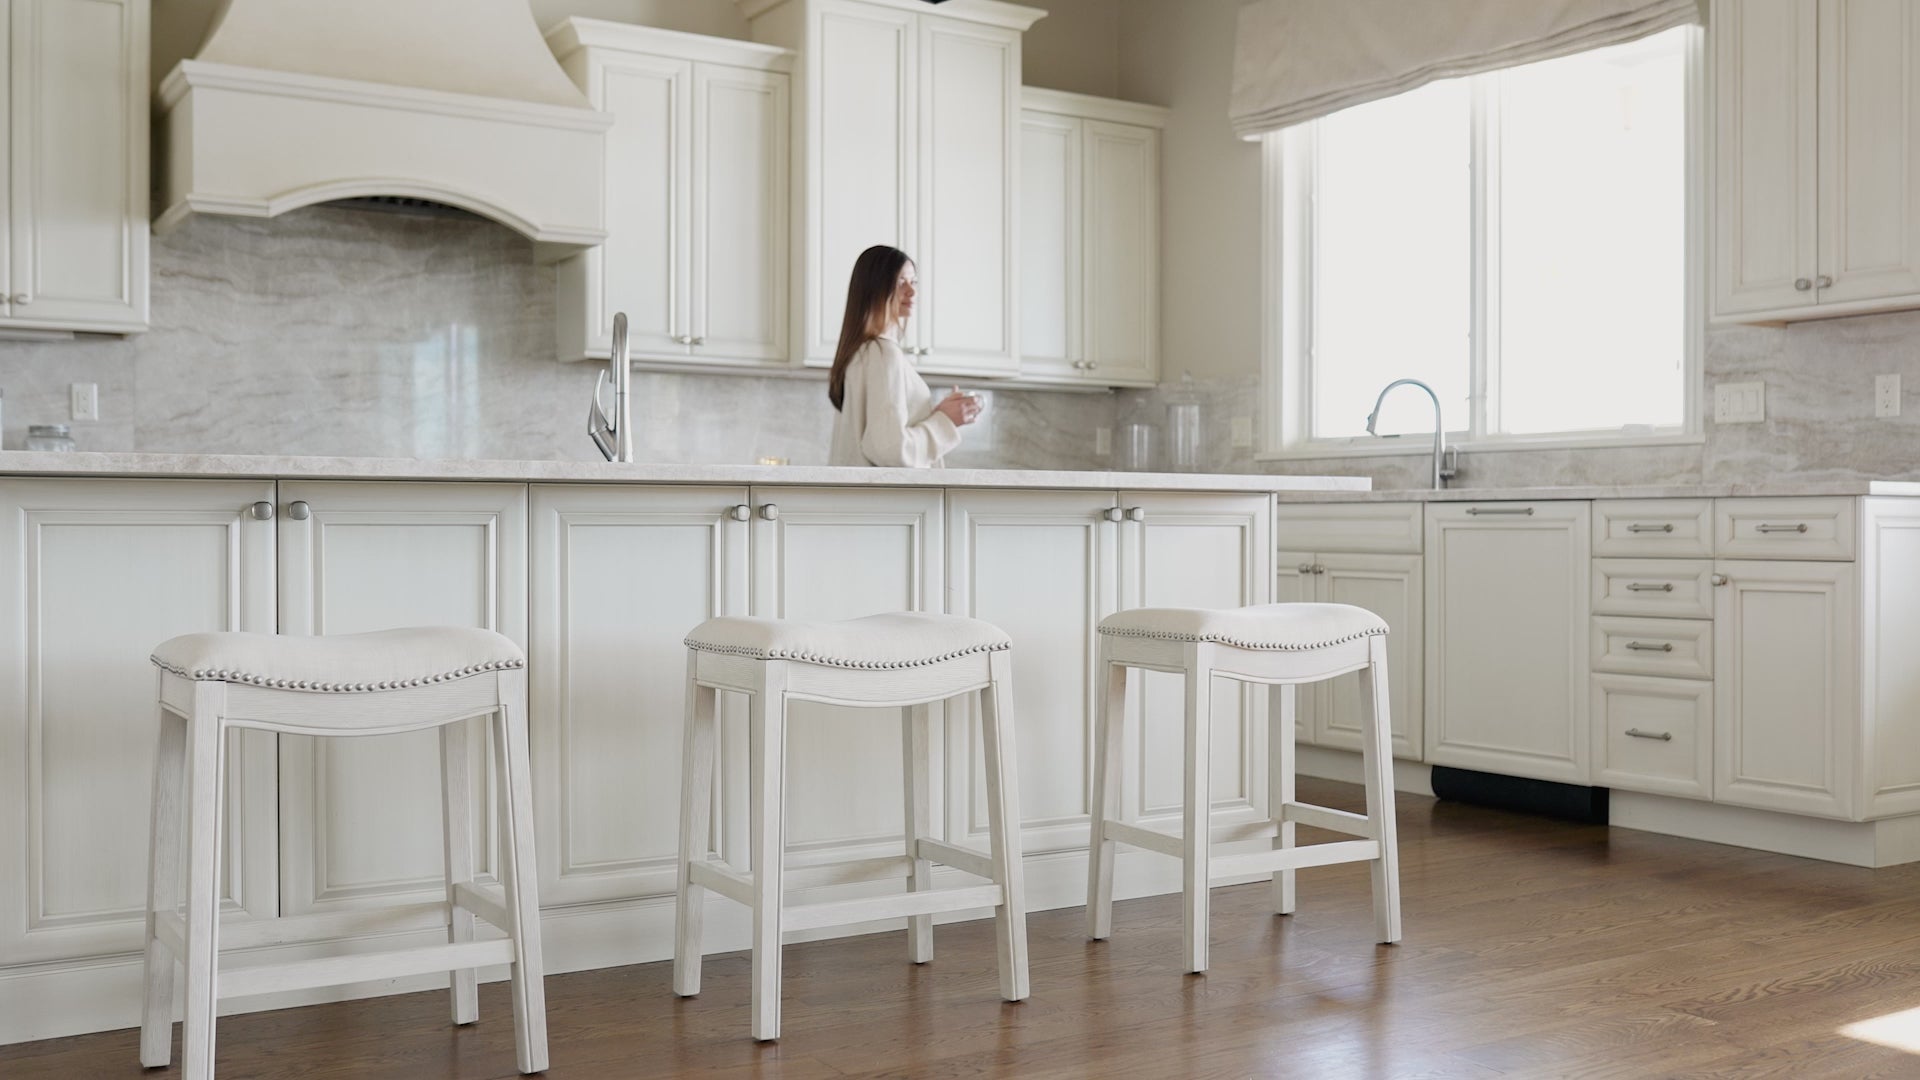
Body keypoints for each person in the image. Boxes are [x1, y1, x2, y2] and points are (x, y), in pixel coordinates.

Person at [827, 245, 980, 467]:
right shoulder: (883, 353)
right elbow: (889, 449)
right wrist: (945, 421)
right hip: (887, 502)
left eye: (913, 281)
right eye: (900, 282)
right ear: (874, 289)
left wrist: (936, 414)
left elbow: (884, 438)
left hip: (862, 500)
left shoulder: (862, 352)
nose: (912, 291)